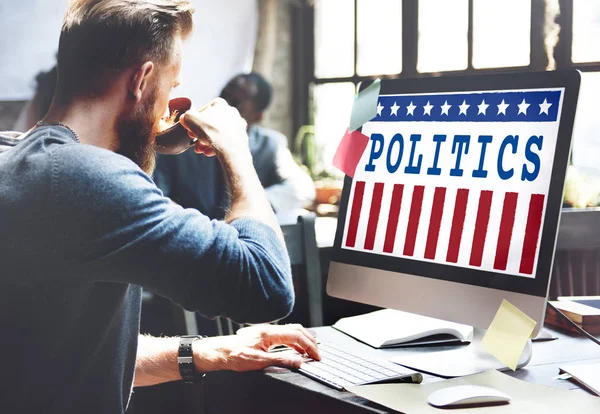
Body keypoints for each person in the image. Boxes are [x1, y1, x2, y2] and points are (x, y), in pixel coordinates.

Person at [0, 1, 319, 414]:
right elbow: (268, 285)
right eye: (171, 87)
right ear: (142, 79)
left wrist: (214, 351)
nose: (169, 104)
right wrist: (236, 150)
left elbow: (66, 356)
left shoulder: (17, 157)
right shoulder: (85, 178)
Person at [154, 72, 315, 222]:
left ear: (257, 116)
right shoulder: (183, 141)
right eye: (223, 96)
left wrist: (250, 206)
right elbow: (157, 196)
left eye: (236, 102)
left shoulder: (270, 144)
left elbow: (302, 188)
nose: (224, 105)